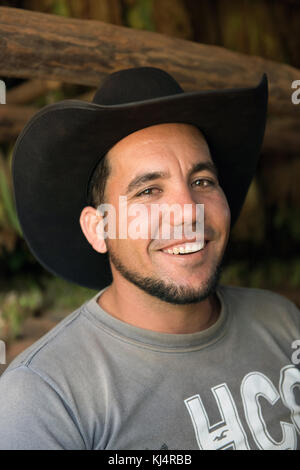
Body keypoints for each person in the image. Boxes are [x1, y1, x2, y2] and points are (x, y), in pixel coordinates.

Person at [0, 67, 299, 450]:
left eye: (202, 182)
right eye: (149, 191)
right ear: (98, 229)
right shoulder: (46, 398)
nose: (189, 211)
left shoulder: (283, 321)